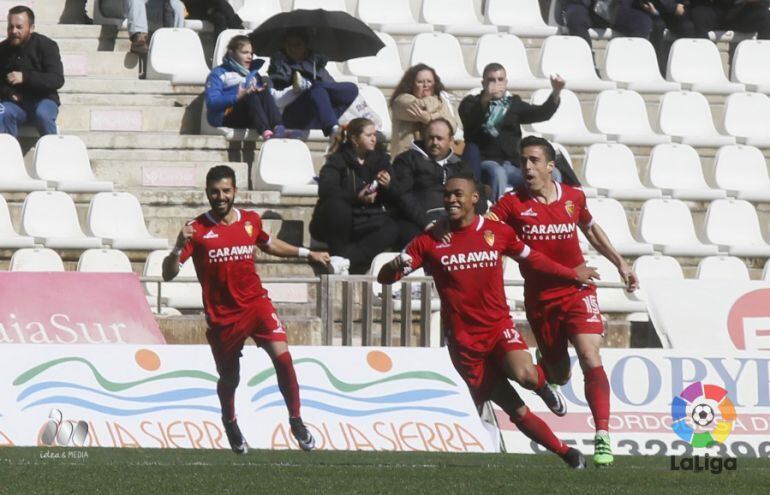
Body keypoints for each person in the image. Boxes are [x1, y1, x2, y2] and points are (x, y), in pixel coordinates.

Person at [378, 174, 598, 469]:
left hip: (498, 327)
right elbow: (386, 278)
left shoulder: (497, 232)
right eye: (446, 195)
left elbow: (533, 259)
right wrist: (394, 266)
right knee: (515, 410)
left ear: (474, 199)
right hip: (464, 343)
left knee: (526, 375)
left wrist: (572, 274)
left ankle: (544, 387)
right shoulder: (429, 240)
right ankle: (566, 453)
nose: (451, 200)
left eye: (457, 194)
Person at [487, 136, 639, 467]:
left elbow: (592, 230)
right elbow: (486, 233)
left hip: (579, 289)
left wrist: (621, 263)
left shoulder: (573, 197)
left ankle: (602, 435)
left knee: (589, 353)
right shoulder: (512, 204)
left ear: (550, 165)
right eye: (522, 161)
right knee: (560, 373)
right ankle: (551, 366)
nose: (526, 167)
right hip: (542, 299)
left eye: (534, 160)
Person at [162, 165, 331, 454]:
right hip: (223, 317)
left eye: (226, 191)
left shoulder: (250, 221)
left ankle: (296, 420)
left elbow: (269, 244)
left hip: (256, 305)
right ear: (207, 193)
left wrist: (308, 253)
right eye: (215, 191)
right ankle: (229, 420)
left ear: (235, 191)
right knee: (231, 378)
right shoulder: (197, 229)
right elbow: (168, 273)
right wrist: (178, 247)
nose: (220, 196)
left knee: (284, 358)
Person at [459, 63, 564, 202]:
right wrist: (485, 100)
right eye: (491, 80)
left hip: (515, 165)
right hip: (487, 163)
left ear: (506, 82)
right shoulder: (471, 103)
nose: (496, 84)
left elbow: (541, 114)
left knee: (552, 173)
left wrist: (556, 92)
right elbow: (469, 119)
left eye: (500, 79)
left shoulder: (513, 103)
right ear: (483, 83)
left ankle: (550, 213)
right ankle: (497, 217)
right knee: (498, 173)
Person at [310, 118, 399, 275]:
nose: (374, 139)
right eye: (368, 135)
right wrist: (357, 196)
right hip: (339, 221)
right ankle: (338, 255)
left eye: (375, 135)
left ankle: (345, 261)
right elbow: (326, 189)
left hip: (367, 219)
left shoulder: (381, 160)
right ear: (354, 138)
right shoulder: (337, 160)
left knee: (393, 228)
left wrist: (388, 185)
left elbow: (394, 196)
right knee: (337, 206)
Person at [391, 118, 480, 249]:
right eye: (430, 138)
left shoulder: (459, 164)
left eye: (439, 138)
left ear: (450, 141)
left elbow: (478, 191)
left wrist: (476, 217)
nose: (434, 143)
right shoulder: (406, 160)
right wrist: (427, 224)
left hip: (455, 219)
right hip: (419, 221)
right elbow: (403, 196)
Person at [268, 29, 358, 141]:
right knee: (317, 90)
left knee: (352, 88)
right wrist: (294, 86)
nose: (293, 48)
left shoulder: (316, 66)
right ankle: (333, 129)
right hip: (294, 115)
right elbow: (276, 100)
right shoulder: (279, 67)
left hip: (318, 114)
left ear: (305, 46)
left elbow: (332, 89)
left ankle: (312, 87)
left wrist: (313, 85)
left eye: (297, 44)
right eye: (289, 45)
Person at [205, 35, 286, 139]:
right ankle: (265, 130)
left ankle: (278, 127)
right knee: (249, 95)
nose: (250, 57)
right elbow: (211, 102)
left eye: (251, 53)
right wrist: (237, 96)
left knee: (263, 92)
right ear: (231, 52)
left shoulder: (254, 74)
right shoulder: (218, 73)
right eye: (245, 53)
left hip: (249, 116)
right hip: (226, 116)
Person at [0, 6, 64, 137]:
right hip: (15, 103)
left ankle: (53, 150)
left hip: (44, 100)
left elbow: (56, 79)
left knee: (43, 115)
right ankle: (7, 154)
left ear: (31, 28)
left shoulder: (47, 46)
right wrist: (9, 93)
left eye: (19, 27)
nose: (13, 31)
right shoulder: (3, 49)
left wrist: (26, 77)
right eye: (10, 27)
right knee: (2, 111)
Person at [389, 63, 457, 157]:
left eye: (429, 81)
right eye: (420, 82)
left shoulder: (441, 101)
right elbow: (420, 106)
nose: (425, 85)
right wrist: (435, 103)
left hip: (433, 155)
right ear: (411, 84)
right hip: (407, 156)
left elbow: (452, 126)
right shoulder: (400, 101)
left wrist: (429, 119)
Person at [559, 0, 656, 53]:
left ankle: (626, 66)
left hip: (614, 7)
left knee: (642, 22)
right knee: (576, 16)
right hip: (583, 6)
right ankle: (587, 62)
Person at [688, 0, 770, 40]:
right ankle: (703, 63)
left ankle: (762, 62)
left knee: (765, 16)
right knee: (699, 15)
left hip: (739, 11)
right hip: (710, 8)